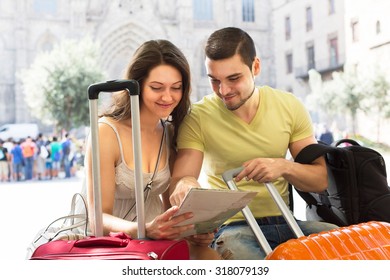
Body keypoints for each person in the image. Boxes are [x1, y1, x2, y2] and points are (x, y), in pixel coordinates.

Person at [169, 27, 338, 260]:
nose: (224, 90)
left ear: (255, 67)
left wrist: (284, 166)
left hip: (288, 222)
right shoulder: (198, 116)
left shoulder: (288, 106)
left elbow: (319, 180)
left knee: (348, 245)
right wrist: (184, 185)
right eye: (214, 81)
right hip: (232, 228)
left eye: (234, 78)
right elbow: (181, 178)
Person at [84, 39, 220, 260]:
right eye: (157, 88)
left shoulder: (171, 133)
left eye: (176, 88)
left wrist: (192, 232)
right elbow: (97, 218)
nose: (168, 97)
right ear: (135, 85)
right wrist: (145, 229)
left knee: (210, 257)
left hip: (156, 239)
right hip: (113, 241)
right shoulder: (106, 133)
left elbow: (171, 209)